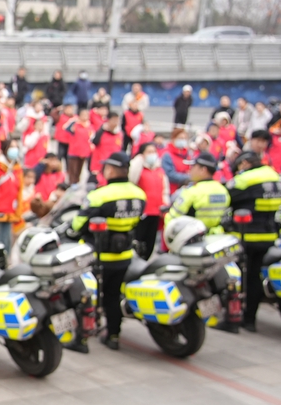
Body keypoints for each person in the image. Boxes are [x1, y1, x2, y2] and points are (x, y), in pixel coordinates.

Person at [72, 152, 146, 350]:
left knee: (87, 296)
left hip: (98, 257)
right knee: (112, 297)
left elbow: (78, 223)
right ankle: (113, 335)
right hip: (124, 256)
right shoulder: (139, 194)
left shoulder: (99, 196)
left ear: (111, 170)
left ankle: (82, 339)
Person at [227, 152, 281, 332]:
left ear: (244, 163)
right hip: (269, 236)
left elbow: (227, 196)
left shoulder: (245, 179)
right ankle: (250, 320)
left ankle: (235, 318)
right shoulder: (274, 176)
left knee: (239, 278)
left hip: (246, 236)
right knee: (255, 276)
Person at [165, 151, 229, 233]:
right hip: (217, 236)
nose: (190, 170)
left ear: (203, 170)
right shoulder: (223, 190)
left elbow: (172, 219)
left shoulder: (192, 192)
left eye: (193, 166)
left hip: (195, 237)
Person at [129, 143, 169, 260]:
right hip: (142, 212)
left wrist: (165, 205)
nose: (152, 154)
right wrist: (138, 160)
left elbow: (165, 190)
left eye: (154, 151)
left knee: (150, 242)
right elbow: (131, 179)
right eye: (149, 152)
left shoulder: (159, 170)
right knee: (138, 239)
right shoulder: (139, 169)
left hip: (156, 212)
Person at [161, 127, 192, 194]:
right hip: (172, 190)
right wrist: (188, 177)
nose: (182, 140)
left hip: (186, 190)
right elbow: (170, 175)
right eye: (180, 138)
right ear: (173, 138)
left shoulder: (187, 154)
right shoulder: (167, 155)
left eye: (184, 138)